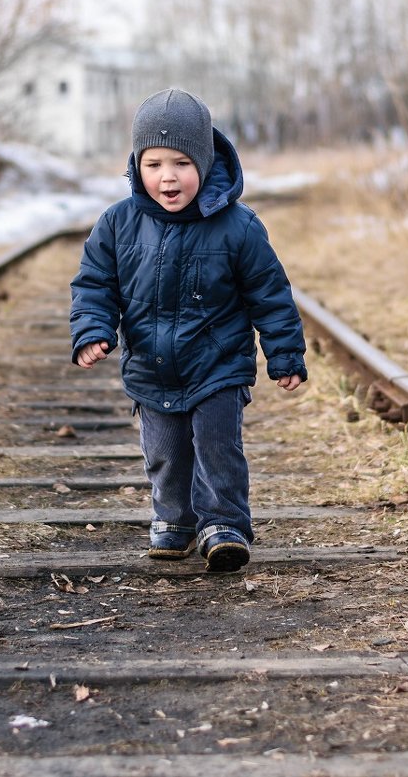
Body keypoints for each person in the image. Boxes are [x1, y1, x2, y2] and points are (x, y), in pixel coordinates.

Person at [69, 87, 307, 573]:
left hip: (217, 364)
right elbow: (94, 285)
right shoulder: (117, 224)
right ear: (137, 165)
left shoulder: (238, 227)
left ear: (203, 160)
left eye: (181, 163)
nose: (167, 177)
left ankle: (224, 524)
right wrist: (92, 329)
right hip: (152, 366)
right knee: (165, 454)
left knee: (218, 448)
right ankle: (174, 521)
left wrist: (284, 354)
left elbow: (270, 294)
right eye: (154, 164)